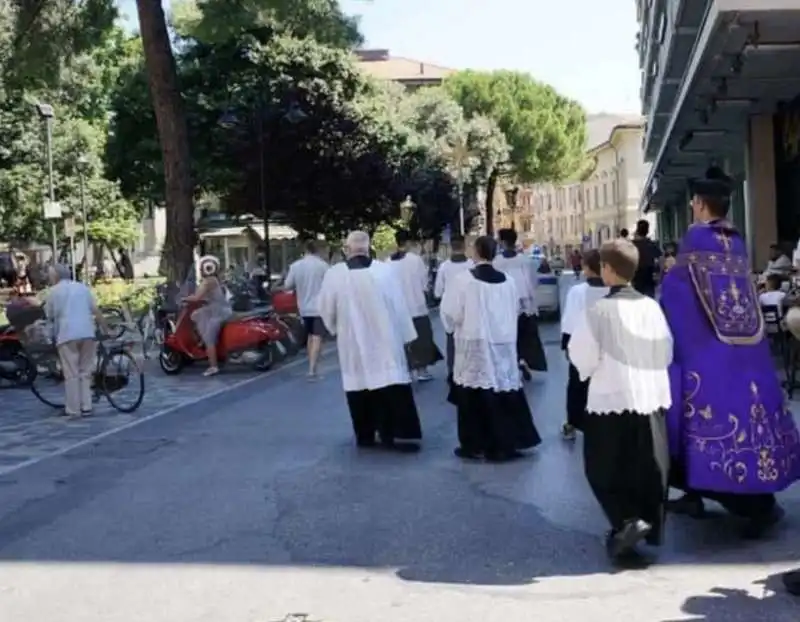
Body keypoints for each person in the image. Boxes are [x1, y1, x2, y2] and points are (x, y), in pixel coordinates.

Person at [661, 166, 800, 539]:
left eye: (693, 202)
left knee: (696, 421)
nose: (691, 207)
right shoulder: (736, 242)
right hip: (748, 355)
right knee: (751, 422)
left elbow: (676, 295)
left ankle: (756, 507)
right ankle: (717, 497)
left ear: (702, 205)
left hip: (706, 353)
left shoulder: (694, 244)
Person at [568, 239, 672, 564]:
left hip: (610, 399)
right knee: (647, 466)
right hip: (649, 398)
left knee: (605, 467)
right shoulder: (651, 307)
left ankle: (627, 522)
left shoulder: (598, 311)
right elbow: (666, 350)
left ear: (608, 271)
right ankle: (642, 522)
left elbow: (581, 357)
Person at [318, 231, 422, 452]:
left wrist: (335, 329)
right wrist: (406, 335)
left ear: (347, 249)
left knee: (359, 386)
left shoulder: (334, 275)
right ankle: (392, 433)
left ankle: (365, 434)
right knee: (388, 383)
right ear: (368, 247)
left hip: (352, 341)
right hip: (386, 339)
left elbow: (326, 308)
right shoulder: (384, 272)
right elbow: (399, 305)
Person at [441, 235, 541, 462]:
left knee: (474, 394)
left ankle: (474, 444)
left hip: (474, 344)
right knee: (504, 390)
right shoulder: (507, 281)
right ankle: (507, 442)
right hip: (503, 344)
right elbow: (514, 309)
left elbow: (450, 313)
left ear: (475, 252)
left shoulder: (463, 280)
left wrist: (455, 326)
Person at [44, 263, 110, 418]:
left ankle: (73, 409)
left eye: (50, 275)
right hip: (87, 332)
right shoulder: (82, 288)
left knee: (71, 373)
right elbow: (96, 311)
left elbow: (49, 315)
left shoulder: (53, 292)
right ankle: (87, 406)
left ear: (56, 276)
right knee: (85, 371)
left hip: (67, 334)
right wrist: (107, 330)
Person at [559, 249, 609, 440]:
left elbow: (570, 318)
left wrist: (566, 343)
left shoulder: (578, 291)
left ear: (587, 268)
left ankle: (573, 422)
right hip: (605, 345)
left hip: (582, 344)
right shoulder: (611, 290)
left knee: (577, 385)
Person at [388, 229, 442, 381]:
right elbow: (424, 283)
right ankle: (422, 370)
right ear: (409, 242)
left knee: (403, 341)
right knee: (421, 339)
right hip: (416, 306)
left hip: (397, 309)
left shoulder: (388, 262)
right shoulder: (415, 259)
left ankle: (407, 370)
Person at [494, 228, 547, 379]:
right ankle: (523, 360)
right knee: (525, 337)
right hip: (524, 305)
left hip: (505, 307)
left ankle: (512, 363)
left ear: (503, 242)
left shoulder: (497, 262)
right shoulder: (525, 260)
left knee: (509, 337)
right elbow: (532, 282)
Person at [284, 240, 330, 380]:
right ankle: (312, 370)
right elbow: (331, 286)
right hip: (319, 308)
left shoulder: (296, 266)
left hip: (303, 308)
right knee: (317, 337)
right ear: (318, 250)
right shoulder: (323, 266)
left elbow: (288, 285)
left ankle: (312, 368)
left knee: (310, 336)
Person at [433, 236, 474, 388]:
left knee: (451, 340)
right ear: (464, 247)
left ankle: (452, 371)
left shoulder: (444, 267)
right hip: (470, 307)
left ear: (451, 247)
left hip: (449, 309)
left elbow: (438, 291)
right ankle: (469, 370)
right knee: (469, 341)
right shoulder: (471, 265)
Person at [184, 255, 232, 377]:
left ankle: (213, 366)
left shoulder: (208, 281)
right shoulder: (214, 280)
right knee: (196, 315)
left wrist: (183, 298)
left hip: (217, 312)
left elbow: (197, 297)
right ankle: (204, 346)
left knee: (208, 337)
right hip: (216, 309)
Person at [631, 219, 662, 298]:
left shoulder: (631, 245)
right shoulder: (651, 245)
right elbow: (660, 259)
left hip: (635, 280)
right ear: (647, 231)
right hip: (649, 279)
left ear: (637, 230)